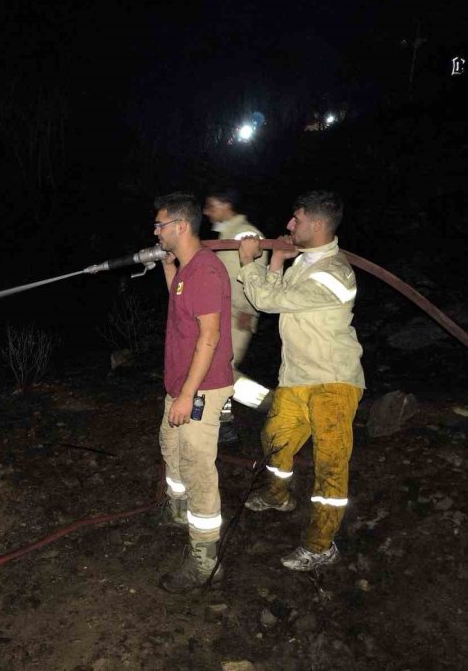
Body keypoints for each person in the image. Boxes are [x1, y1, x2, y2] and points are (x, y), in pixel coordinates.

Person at [237, 190, 365, 571]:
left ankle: (320, 544)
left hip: (333, 381)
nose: (289, 225)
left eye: (297, 220)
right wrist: (276, 259)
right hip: (295, 378)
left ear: (319, 224)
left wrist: (250, 263)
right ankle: (278, 496)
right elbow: (279, 293)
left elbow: (268, 301)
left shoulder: (336, 273)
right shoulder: (306, 265)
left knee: (330, 465)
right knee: (275, 441)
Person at [152, 192, 235, 593]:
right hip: (182, 384)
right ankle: (178, 513)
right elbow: (182, 307)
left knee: (199, 468)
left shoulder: (204, 271)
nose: (155, 231)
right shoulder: (187, 270)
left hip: (201, 388)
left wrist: (188, 395)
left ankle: (205, 561)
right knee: (172, 447)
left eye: (160, 225)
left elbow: (210, 336)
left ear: (181, 226)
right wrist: (168, 269)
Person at [202, 189, 273, 444]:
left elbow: (249, 275)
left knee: (220, 369)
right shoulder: (227, 234)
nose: (207, 212)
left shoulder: (244, 234)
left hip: (235, 313)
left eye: (211, 205)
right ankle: (221, 424)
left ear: (226, 203)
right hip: (221, 313)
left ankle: (272, 405)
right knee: (213, 369)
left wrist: (246, 310)